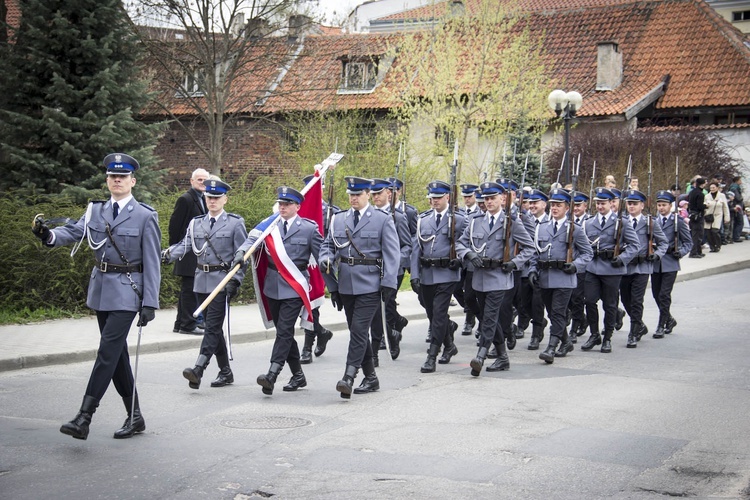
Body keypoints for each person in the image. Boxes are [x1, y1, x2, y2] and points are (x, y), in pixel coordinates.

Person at [32, 153, 161, 440]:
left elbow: (152, 261)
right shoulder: (96, 210)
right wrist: (47, 236)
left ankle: (84, 417)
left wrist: (151, 301)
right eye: (113, 177)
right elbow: (75, 232)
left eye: (123, 177)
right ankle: (135, 416)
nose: (118, 180)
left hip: (129, 291)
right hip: (102, 289)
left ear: (133, 181)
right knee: (116, 356)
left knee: (107, 352)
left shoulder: (144, 215)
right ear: (107, 180)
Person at [232, 186, 322, 395]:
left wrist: (333, 281)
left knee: (283, 331)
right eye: (280, 203)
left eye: (287, 204)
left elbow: (321, 255)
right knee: (284, 332)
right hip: (272, 286)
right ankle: (298, 376)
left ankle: (272, 373)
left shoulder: (309, 228)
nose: (282, 207)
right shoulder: (270, 225)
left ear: (297, 206)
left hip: (295, 287)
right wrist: (241, 252)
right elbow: (251, 240)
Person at [319, 176, 399, 399]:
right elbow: (327, 246)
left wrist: (388, 283)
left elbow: (392, 254)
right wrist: (326, 263)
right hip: (346, 285)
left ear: (367, 195)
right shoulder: (338, 219)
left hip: (370, 284)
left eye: (358, 194)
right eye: (351, 195)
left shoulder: (382, 220)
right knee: (358, 332)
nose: (353, 198)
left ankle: (349, 376)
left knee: (358, 331)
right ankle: (371, 378)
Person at [164, 178, 247, 390]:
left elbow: (243, 256)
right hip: (201, 281)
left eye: (217, 198)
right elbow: (185, 246)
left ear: (225, 199)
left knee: (211, 327)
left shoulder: (235, 223)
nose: (212, 201)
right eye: (209, 197)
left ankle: (198, 368)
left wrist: (235, 282)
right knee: (214, 328)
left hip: (221, 282)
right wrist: (166, 255)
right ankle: (226, 372)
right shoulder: (196, 223)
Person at [457, 181, 535, 375]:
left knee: (490, 317)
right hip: (480, 276)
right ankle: (502, 357)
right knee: (487, 317)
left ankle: (481, 355)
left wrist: (515, 263)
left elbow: (530, 247)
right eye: (486, 198)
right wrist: (469, 255)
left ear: (502, 199)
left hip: (500, 276)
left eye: (493, 198)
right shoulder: (476, 221)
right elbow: (460, 244)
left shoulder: (512, 222)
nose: (489, 202)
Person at [527, 189, 593, 363]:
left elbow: (587, 253)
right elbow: (535, 252)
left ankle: (551, 347)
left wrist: (575, 265)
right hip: (545, 276)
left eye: (559, 205)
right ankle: (565, 341)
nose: (555, 208)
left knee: (558, 312)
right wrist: (533, 270)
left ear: (567, 207)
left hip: (564, 277)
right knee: (552, 313)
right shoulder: (542, 227)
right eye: (553, 205)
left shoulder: (574, 229)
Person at [411, 181, 467, 372]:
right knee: (432, 314)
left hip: (447, 274)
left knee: (439, 313)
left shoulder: (458, 220)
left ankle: (431, 355)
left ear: (447, 198)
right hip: (427, 274)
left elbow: (466, 244)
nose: (434, 201)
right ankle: (449, 345)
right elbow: (416, 249)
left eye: (438, 198)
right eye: (432, 198)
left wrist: (460, 260)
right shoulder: (423, 220)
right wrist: (415, 275)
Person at [579, 187, 640, 353]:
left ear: (611, 203)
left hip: (612, 269)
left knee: (610, 305)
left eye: (603, 203)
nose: (600, 206)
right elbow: (583, 245)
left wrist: (622, 259)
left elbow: (635, 245)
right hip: (593, 267)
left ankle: (607, 338)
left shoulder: (622, 222)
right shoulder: (589, 222)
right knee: (590, 300)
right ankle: (594, 334)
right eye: (598, 203)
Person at [368, 178, 410, 365]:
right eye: (373, 193)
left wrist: (394, 263)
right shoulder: (368, 216)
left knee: (388, 302)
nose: (376, 197)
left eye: (379, 193)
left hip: (393, 270)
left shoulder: (398, 217)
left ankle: (390, 334)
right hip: (373, 269)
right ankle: (391, 332)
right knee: (378, 308)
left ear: (389, 194)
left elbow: (407, 246)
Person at [619, 189, 668, 347]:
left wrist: (657, 254)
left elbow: (663, 243)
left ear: (642, 205)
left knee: (636, 300)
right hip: (625, 266)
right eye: (629, 204)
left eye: (635, 204)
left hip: (642, 266)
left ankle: (633, 332)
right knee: (625, 298)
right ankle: (639, 324)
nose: (631, 206)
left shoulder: (650, 222)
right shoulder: (622, 221)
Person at [298, 174, 335, 364]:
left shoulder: (331, 212)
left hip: (319, 262)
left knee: (313, 307)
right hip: (300, 263)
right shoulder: (298, 210)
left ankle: (306, 348)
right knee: (299, 307)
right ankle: (322, 333)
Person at [168, 168, 209, 335]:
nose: (202, 183)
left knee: (188, 290)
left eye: (205, 180)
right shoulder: (185, 199)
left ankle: (180, 324)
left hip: (197, 253)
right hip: (186, 253)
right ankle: (187, 325)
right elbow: (175, 227)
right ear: (192, 181)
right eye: (199, 180)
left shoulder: (204, 199)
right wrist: (176, 251)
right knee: (190, 290)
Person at [651, 190, 693, 338]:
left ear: (670, 206)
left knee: (664, 294)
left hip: (670, 263)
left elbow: (688, 242)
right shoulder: (652, 222)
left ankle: (661, 325)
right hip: (655, 263)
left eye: (664, 205)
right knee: (656, 294)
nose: (661, 208)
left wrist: (680, 252)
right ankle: (669, 319)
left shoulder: (678, 222)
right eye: (659, 205)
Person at [517, 188, 548, 349]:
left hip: (539, 269)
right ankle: (538, 321)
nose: (532, 206)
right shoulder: (522, 219)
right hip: (524, 267)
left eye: (535, 203)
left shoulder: (549, 222)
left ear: (544, 204)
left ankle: (536, 334)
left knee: (537, 302)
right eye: (530, 203)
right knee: (524, 301)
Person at [568, 191, 592, 341]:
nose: (575, 208)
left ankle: (575, 326)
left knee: (577, 297)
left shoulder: (590, 221)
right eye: (573, 205)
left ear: (585, 205)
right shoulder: (566, 221)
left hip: (583, 266)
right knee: (570, 298)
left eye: (578, 205)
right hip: (567, 266)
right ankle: (581, 318)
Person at [459, 183, 480, 336]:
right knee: (457, 290)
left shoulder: (482, 212)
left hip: (475, 261)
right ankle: (470, 312)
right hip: (461, 260)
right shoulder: (459, 213)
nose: (467, 199)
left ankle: (470, 319)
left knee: (472, 294)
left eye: (469, 196)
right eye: (464, 196)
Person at [704, 181, 729, 253]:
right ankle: (712, 247)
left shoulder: (722, 196)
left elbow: (725, 207)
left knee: (715, 231)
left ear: (717, 188)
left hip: (718, 215)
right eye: (711, 188)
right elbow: (704, 206)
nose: (712, 189)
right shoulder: (707, 196)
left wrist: (726, 218)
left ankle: (717, 245)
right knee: (708, 232)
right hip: (708, 216)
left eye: (713, 187)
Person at [688, 177, 707, 258]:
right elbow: (700, 206)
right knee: (697, 235)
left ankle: (698, 251)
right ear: (702, 184)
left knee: (695, 234)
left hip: (692, 215)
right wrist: (706, 205)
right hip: (698, 216)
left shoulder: (692, 192)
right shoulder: (700, 194)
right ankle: (694, 252)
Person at [728, 176, 744, 243]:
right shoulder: (735, 188)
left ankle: (734, 236)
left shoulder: (733, 187)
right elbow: (737, 198)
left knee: (736, 222)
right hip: (737, 206)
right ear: (737, 180)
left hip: (735, 206)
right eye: (740, 180)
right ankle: (736, 237)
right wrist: (741, 198)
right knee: (740, 222)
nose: (741, 182)